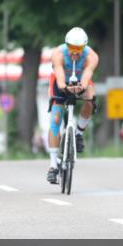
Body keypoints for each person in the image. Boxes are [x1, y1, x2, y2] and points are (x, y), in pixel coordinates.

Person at [46, 27, 99, 184]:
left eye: (79, 49)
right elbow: (59, 76)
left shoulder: (91, 56)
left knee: (90, 98)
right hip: (60, 82)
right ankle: (53, 165)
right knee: (56, 118)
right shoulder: (58, 54)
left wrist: (81, 87)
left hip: (80, 81)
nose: (75, 52)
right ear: (66, 45)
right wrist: (64, 86)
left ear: (84, 47)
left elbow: (87, 75)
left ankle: (78, 133)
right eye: (72, 48)